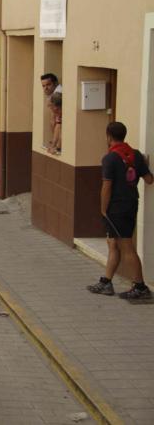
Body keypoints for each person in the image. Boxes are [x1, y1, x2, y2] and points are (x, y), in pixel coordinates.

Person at [87, 122, 154, 300]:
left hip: (116, 208)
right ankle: (106, 282)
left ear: (108, 136)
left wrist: (103, 209)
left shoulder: (109, 158)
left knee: (126, 246)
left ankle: (140, 287)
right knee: (112, 243)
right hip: (131, 203)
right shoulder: (136, 155)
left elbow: (106, 186)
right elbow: (149, 180)